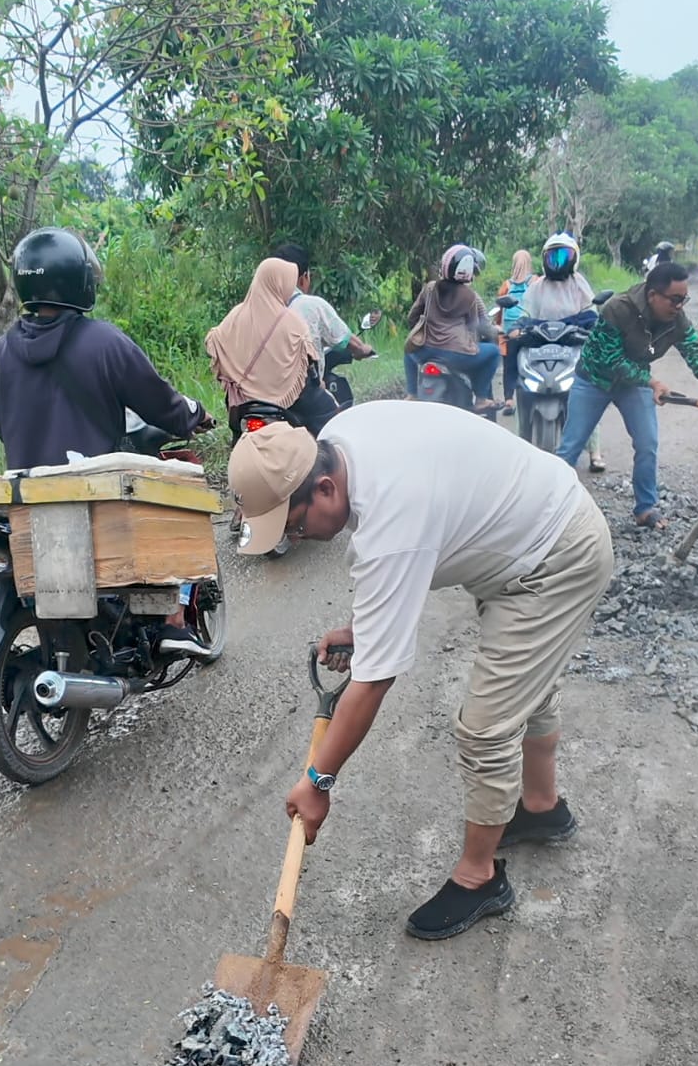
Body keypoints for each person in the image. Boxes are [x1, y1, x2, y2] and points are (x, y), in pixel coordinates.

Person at [228, 402, 614, 940]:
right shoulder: (337, 440)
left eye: (293, 527)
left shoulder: (392, 513)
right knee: (528, 686)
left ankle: (480, 879)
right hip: (532, 528)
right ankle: (542, 808)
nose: (295, 541)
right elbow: (402, 565)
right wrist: (365, 630)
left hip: (557, 557)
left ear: (323, 490)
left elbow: (374, 680)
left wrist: (318, 781)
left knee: (486, 726)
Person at [0, 226, 212, 659]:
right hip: (96, 497)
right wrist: (193, 415)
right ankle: (172, 622)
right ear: (79, 281)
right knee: (180, 500)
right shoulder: (104, 341)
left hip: (28, 498)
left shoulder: (1, 351)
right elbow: (159, 401)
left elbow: (2, 424)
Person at [555, 262, 698, 527]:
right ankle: (550, 507)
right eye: (675, 299)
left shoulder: (676, 320)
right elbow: (610, 360)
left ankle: (645, 508)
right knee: (571, 446)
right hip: (594, 380)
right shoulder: (617, 309)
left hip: (635, 384)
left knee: (647, 444)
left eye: (684, 299)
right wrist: (651, 381)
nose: (680, 306)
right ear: (653, 295)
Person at [205, 256, 338, 439]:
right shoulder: (292, 323)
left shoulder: (234, 316)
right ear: (280, 284)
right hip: (289, 405)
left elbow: (214, 342)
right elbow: (309, 366)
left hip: (244, 407)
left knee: (238, 438)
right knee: (330, 418)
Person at [515, 233, 605, 472]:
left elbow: (590, 313)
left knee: (587, 389)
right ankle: (521, 441)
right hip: (540, 346)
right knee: (520, 383)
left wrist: (590, 328)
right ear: (544, 259)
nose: (557, 261)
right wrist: (519, 329)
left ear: (574, 258)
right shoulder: (537, 286)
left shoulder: (579, 284)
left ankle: (595, 450)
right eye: (552, 255)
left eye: (563, 255)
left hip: (572, 345)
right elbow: (525, 314)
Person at [404, 245, 501, 409]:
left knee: (409, 347)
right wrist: (493, 332)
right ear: (469, 270)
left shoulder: (429, 288)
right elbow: (475, 327)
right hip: (457, 355)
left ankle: (412, 394)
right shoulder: (470, 296)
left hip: (426, 351)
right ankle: (481, 399)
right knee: (494, 352)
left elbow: (412, 317)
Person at [271, 242, 376, 382]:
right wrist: (363, 349)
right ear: (303, 278)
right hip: (300, 394)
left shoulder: (255, 309)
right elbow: (345, 339)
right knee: (329, 402)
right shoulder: (312, 305)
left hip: (256, 395)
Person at [495, 249, 535, 412]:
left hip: (509, 332)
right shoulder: (535, 281)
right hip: (530, 329)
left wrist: (499, 327)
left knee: (508, 366)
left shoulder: (507, 285)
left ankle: (509, 400)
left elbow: (499, 309)